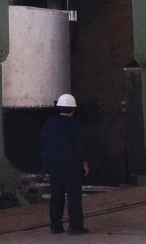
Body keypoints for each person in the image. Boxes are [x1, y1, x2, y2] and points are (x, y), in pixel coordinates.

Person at [41, 93, 90, 235]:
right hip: (71, 167)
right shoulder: (74, 125)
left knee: (56, 196)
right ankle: (75, 227)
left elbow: (44, 144)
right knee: (74, 197)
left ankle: (55, 226)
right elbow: (79, 148)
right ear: (73, 109)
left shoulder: (50, 123)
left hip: (54, 166)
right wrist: (84, 163)